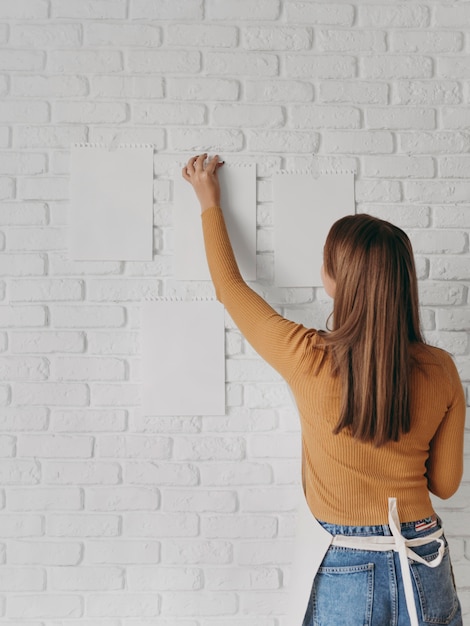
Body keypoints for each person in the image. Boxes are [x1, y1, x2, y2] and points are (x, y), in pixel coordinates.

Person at [182, 154, 466, 626]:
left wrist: (208, 200)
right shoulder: (441, 370)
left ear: (339, 283)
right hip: (425, 561)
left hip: (346, 567)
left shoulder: (306, 355)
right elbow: (445, 484)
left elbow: (230, 288)